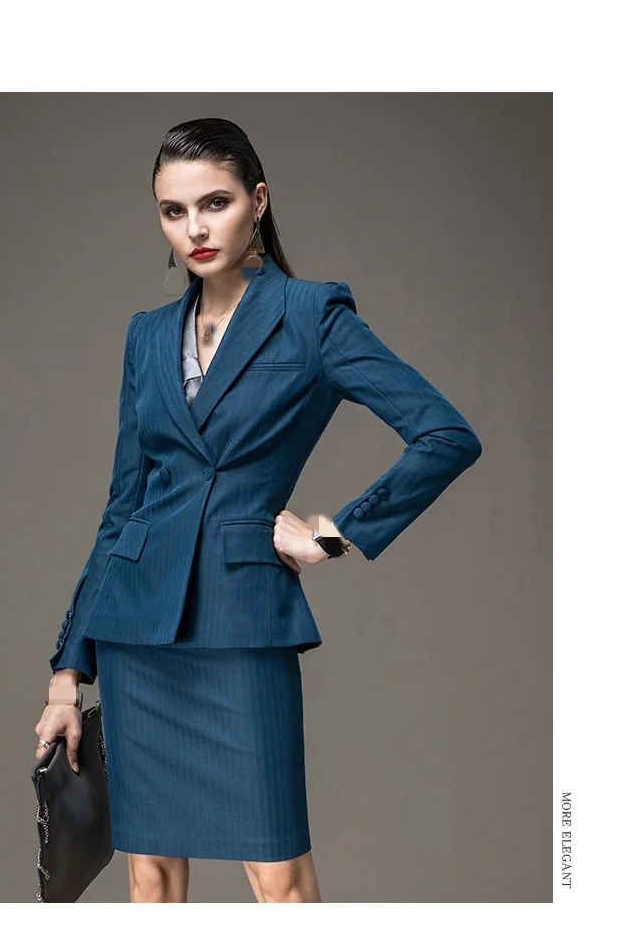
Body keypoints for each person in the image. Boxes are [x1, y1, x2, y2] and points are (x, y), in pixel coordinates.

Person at [34, 117, 482, 903]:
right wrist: (68, 676)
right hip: (135, 631)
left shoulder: (312, 315)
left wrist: (333, 534)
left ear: (259, 200)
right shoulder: (147, 336)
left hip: (242, 619)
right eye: (174, 211)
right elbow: (123, 506)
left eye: (216, 202)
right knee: (149, 876)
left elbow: (445, 434)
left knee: (281, 883)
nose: (196, 229)